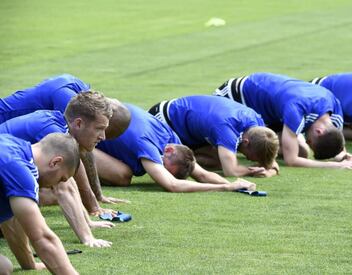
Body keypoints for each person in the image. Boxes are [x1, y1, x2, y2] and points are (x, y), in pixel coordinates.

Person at [0, 92, 122, 248]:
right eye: (99, 128)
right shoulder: (53, 132)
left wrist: (87, 221)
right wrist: (87, 237)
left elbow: (70, 183)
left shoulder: (60, 127)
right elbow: (65, 189)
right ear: (78, 124)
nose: (103, 136)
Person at [214, 72, 352, 170]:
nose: (308, 142)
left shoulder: (334, 114)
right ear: (319, 131)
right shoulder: (296, 109)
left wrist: (343, 156)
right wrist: (334, 166)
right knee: (219, 158)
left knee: (302, 152)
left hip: (270, 113)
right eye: (311, 142)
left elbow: (333, 138)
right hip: (234, 99)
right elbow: (291, 160)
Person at [94, 103, 256, 192]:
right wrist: (226, 187)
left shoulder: (173, 139)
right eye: (163, 166)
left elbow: (202, 174)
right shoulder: (149, 147)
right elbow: (172, 185)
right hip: (85, 128)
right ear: (169, 151)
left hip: (105, 112)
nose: (158, 169)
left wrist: (237, 185)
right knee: (123, 176)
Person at [0, 133, 79, 274]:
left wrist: (29, 264)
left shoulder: (11, 143)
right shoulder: (20, 170)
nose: (54, 186)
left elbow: (12, 221)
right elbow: (43, 238)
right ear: (55, 162)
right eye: (61, 179)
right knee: (3, 267)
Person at [148, 95, 280, 177]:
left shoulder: (258, 127)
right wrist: (253, 171)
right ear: (246, 142)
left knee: (220, 159)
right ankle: (183, 159)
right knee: (221, 161)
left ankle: (190, 157)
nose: (251, 160)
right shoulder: (226, 129)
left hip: (191, 129)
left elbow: (269, 161)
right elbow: (231, 171)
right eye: (252, 157)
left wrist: (269, 171)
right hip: (163, 121)